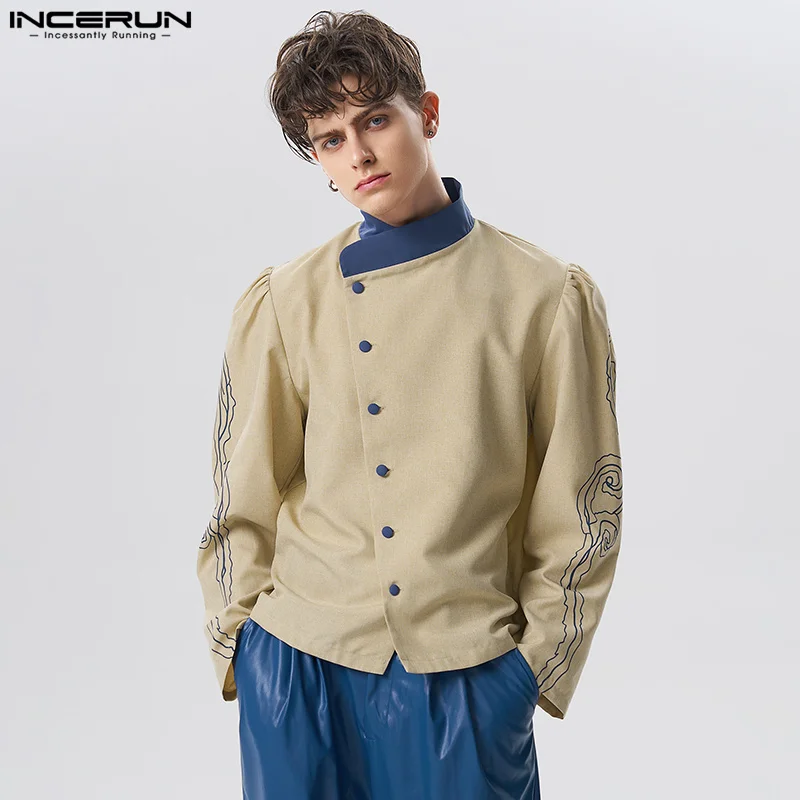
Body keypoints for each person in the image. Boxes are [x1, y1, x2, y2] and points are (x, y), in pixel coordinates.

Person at [196, 9, 623, 800]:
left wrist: (528, 672)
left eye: (374, 120)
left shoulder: (544, 296)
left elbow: (581, 508)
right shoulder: (283, 300)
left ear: (426, 113)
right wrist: (242, 647)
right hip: (296, 666)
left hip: (464, 674)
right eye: (330, 140)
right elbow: (240, 495)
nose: (357, 155)